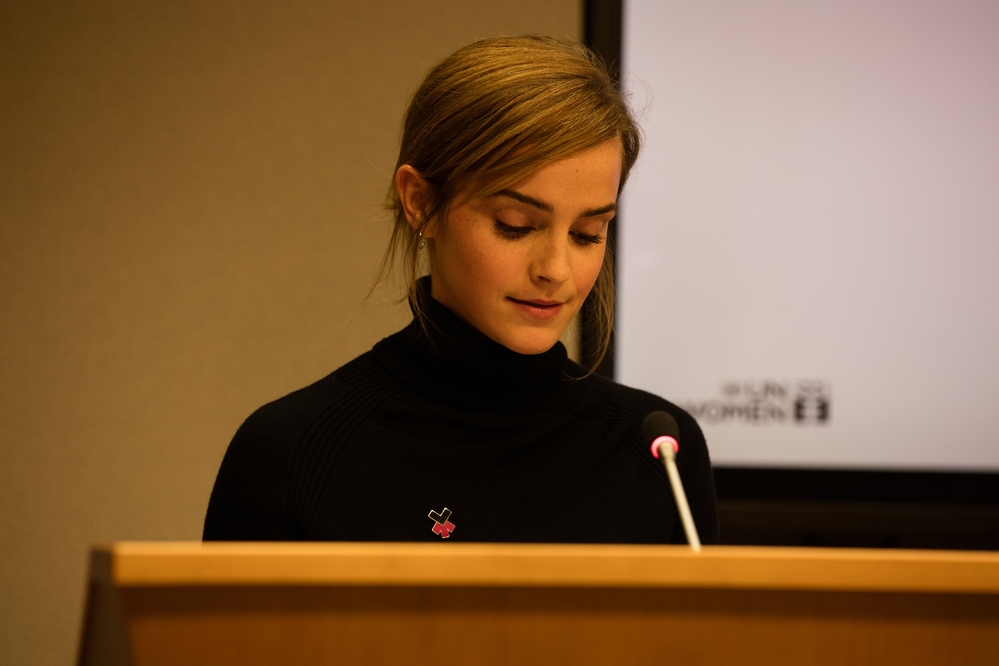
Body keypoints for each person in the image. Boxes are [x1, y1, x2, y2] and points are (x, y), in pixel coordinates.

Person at [203, 35, 718, 543]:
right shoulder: (290, 453)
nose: (556, 270)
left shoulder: (661, 453)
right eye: (516, 224)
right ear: (421, 203)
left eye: (588, 234)